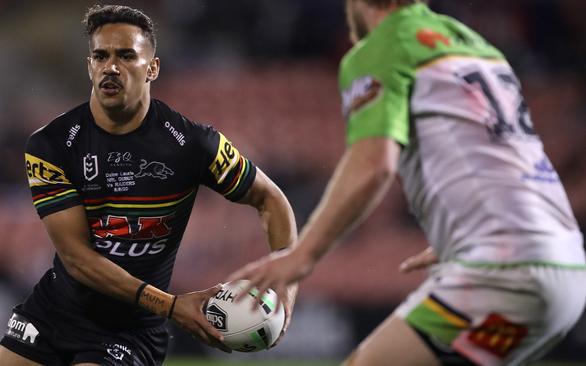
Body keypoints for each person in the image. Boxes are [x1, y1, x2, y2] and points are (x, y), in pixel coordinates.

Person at [228, 1, 586, 365]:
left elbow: (373, 165)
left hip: (503, 271)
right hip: (566, 266)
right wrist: (463, 231)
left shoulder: (387, 44)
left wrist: (302, 257)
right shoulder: (478, 47)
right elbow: (504, 155)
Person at [0, 4, 297, 365]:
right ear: (89, 66)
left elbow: (271, 199)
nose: (111, 67)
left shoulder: (192, 144)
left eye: (126, 56)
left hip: (130, 330)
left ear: (152, 68)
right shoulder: (52, 145)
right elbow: (77, 259)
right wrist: (171, 306)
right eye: (100, 56)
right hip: (53, 310)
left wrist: (286, 286)